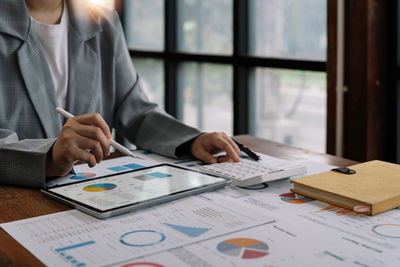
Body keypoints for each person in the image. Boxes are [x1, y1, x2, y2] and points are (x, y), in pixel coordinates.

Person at [0, 0, 240, 187]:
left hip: (90, 195)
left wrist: (190, 141)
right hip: (16, 203)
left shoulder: (103, 22)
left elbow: (135, 110)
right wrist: (50, 158)